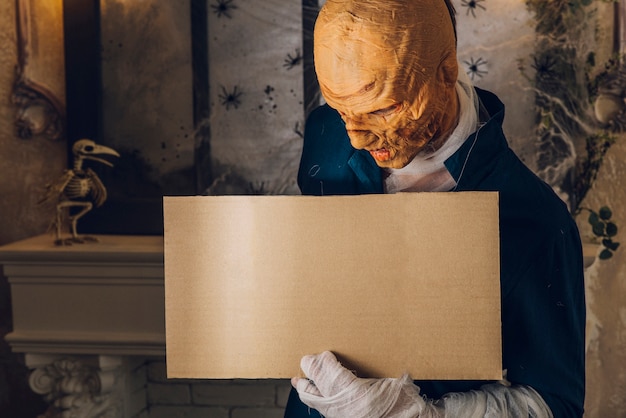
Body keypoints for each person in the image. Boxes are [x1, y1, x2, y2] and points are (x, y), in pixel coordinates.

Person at [283, 0, 586, 417]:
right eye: (341, 110)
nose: (355, 138)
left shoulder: (538, 223)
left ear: (447, 72)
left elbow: (556, 404)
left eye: (383, 108)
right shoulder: (324, 132)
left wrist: (417, 413)